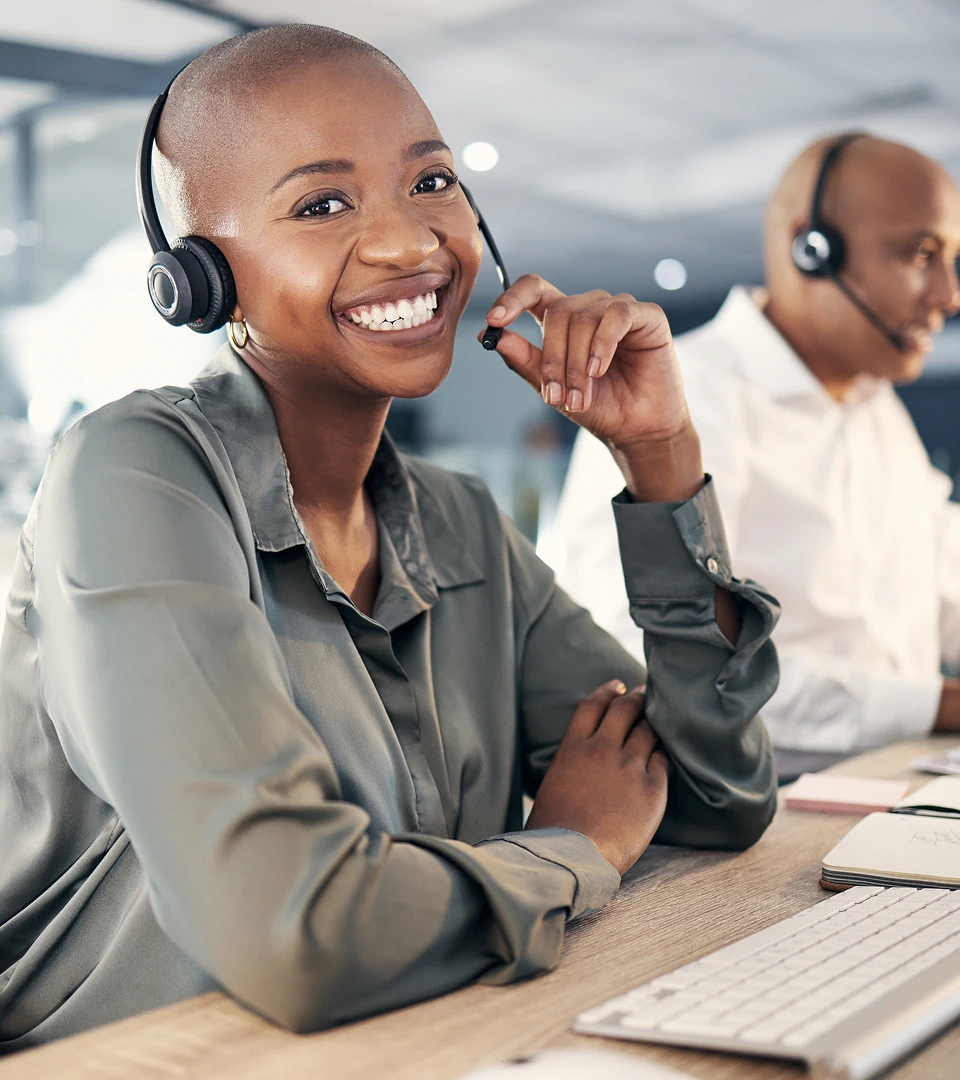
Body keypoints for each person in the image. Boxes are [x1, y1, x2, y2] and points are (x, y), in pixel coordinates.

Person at [0, 26, 780, 1048]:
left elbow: (713, 799)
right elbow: (298, 935)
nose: (412, 244)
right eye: (322, 205)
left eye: (433, 184)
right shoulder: (135, 474)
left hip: (407, 1045)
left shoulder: (458, 525)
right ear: (199, 279)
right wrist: (571, 844)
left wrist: (663, 458)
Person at [552, 134, 960, 755]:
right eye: (921, 253)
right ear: (811, 250)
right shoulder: (680, 397)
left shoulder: (876, 410)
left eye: (953, 257)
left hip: (889, 784)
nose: (950, 294)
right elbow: (640, 651)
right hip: (761, 816)